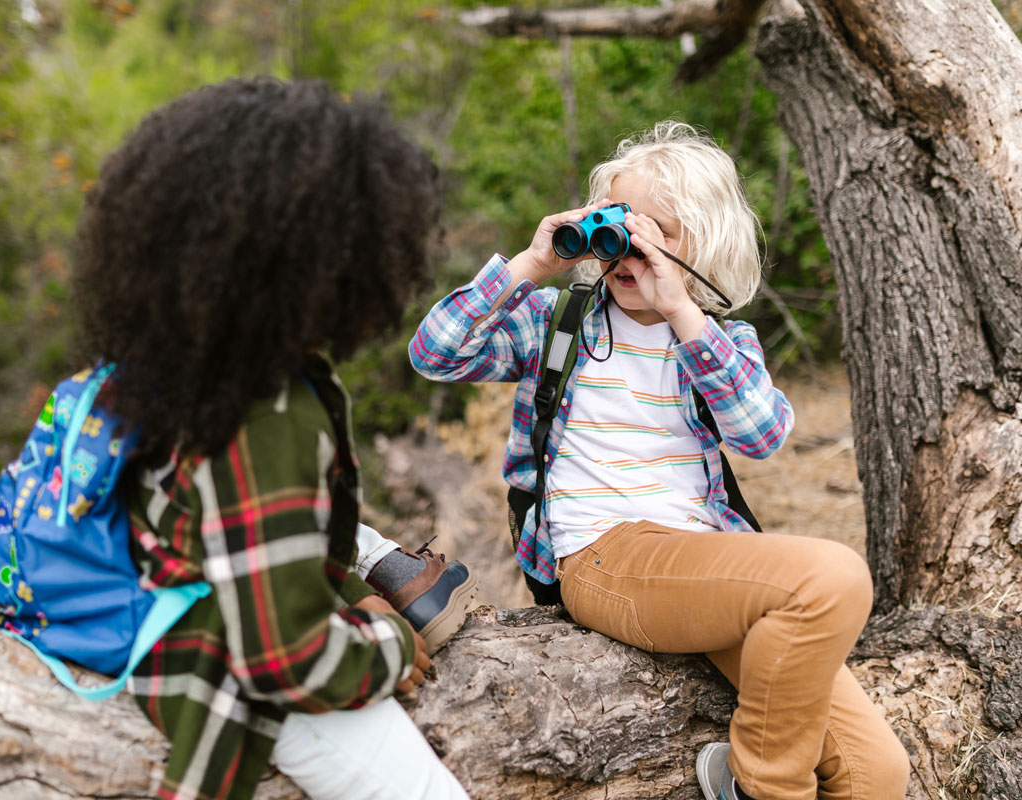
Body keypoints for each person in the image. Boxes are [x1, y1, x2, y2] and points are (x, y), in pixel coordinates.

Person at [409, 121, 910, 800]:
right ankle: (765, 787)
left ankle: (749, 767)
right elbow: (436, 353)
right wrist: (530, 266)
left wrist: (680, 307)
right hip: (604, 557)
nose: (632, 250)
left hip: (703, 565)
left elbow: (762, 433)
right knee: (834, 578)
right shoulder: (561, 322)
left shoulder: (718, 339)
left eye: (658, 233)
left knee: (877, 772)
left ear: (705, 244)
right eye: (620, 226)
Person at [72, 78, 474, 800]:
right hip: (217, 680)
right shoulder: (270, 412)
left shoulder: (173, 367)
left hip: (148, 626)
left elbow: (237, 544)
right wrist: (388, 646)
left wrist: (349, 593)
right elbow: (283, 660)